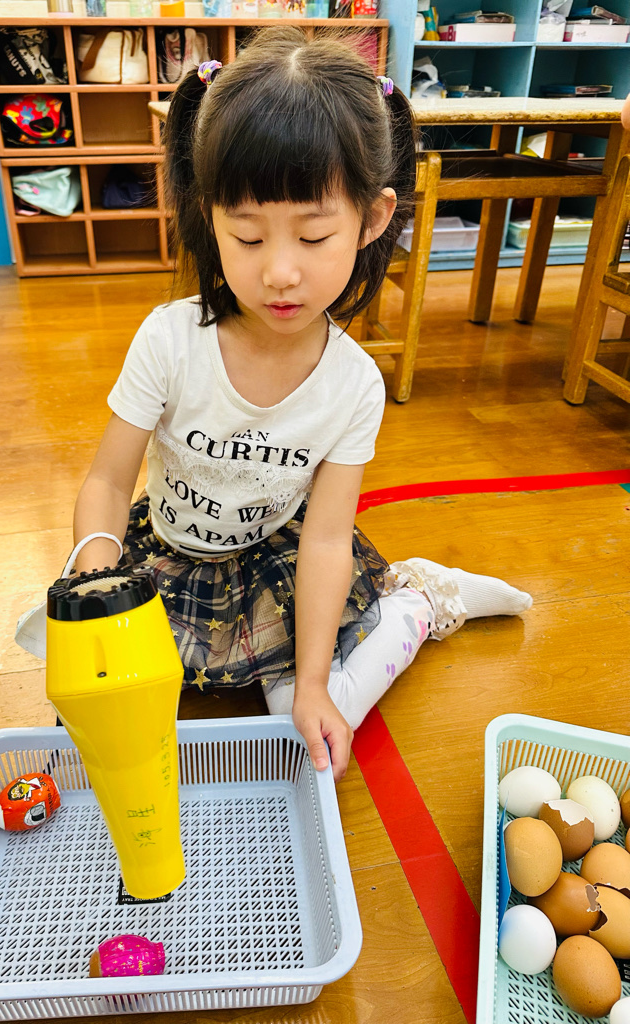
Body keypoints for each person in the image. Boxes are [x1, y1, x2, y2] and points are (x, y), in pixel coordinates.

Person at [72, 29, 532, 782]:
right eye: (247, 237)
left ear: (372, 219)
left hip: (277, 560)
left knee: (308, 721)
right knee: (95, 705)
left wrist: (315, 683)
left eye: (314, 236)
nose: (280, 272)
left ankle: (420, 602)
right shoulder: (170, 340)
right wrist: (97, 584)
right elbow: (107, 482)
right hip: (171, 556)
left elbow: (324, 540)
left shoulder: (354, 384)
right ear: (209, 216)